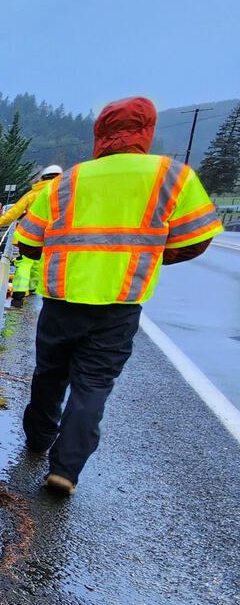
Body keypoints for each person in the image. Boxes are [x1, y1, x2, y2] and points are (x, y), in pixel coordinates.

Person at [13, 96, 222, 497]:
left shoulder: (70, 181)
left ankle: (37, 439)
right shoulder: (170, 175)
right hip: (119, 303)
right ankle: (65, 470)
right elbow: (197, 239)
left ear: (100, 134)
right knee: (92, 386)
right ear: (147, 132)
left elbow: (28, 241)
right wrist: (151, 256)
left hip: (62, 298)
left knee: (49, 375)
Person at [0, 164, 63, 306]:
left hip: (29, 237)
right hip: (52, 238)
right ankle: (32, 288)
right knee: (38, 264)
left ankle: (18, 295)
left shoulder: (33, 194)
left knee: (25, 264)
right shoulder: (65, 195)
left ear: (42, 178)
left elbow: (13, 213)